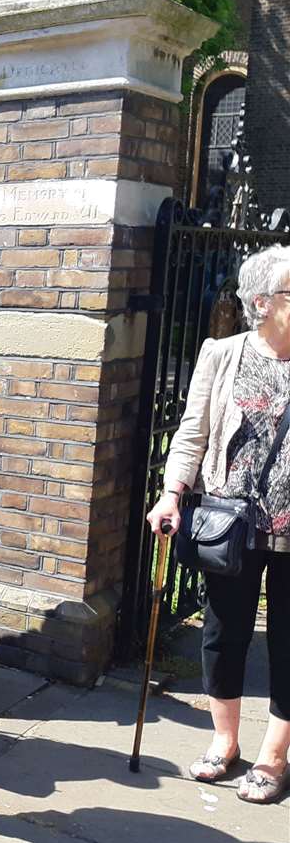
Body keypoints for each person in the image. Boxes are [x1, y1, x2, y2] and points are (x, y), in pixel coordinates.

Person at [148, 245, 290, 805]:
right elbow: (192, 431)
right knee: (223, 634)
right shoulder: (223, 353)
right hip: (230, 521)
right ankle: (224, 742)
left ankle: (275, 757)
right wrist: (170, 493)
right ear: (263, 302)